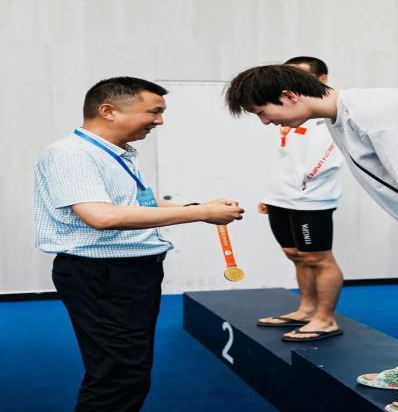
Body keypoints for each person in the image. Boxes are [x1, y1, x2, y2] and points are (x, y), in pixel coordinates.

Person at [225, 65, 398, 412]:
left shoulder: (381, 114)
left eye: (262, 112)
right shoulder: (343, 117)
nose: (265, 122)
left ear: (289, 96)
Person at [34, 76, 244, 412]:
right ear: (108, 111)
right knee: (118, 376)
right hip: (104, 274)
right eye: (154, 112)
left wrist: (198, 209)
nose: (159, 121)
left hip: (129, 273)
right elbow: (101, 216)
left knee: (127, 370)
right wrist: (201, 213)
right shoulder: (71, 154)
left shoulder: (117, 153)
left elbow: (139, 203)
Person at [256, 56, 345, 342]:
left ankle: (326, 319)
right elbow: (284, 158)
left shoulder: (331, 113)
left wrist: (303, 186)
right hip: (281, 197)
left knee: (318, 258)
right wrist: (272, 193)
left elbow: (330, 157)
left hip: (310, 199)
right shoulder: (287, 110)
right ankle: (306, 310)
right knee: (294, 254)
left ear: (322, 79)